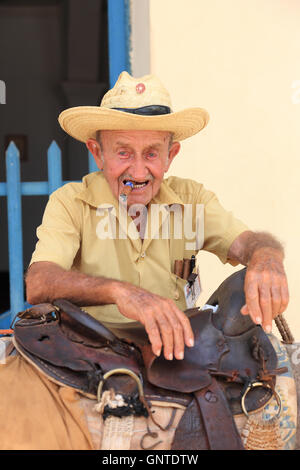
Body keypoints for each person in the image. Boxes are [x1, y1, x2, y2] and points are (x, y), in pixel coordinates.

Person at [25, 71, 289, 363]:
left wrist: (267, 258)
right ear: (98, 154)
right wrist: (121, 292)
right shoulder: (70, 202)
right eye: (123, 153)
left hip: (177, 356)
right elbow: (39, 282)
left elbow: (249, 243)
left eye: (151, 154)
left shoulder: (191, 199)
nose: (138, 173)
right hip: (90, 355)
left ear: (170, 156)